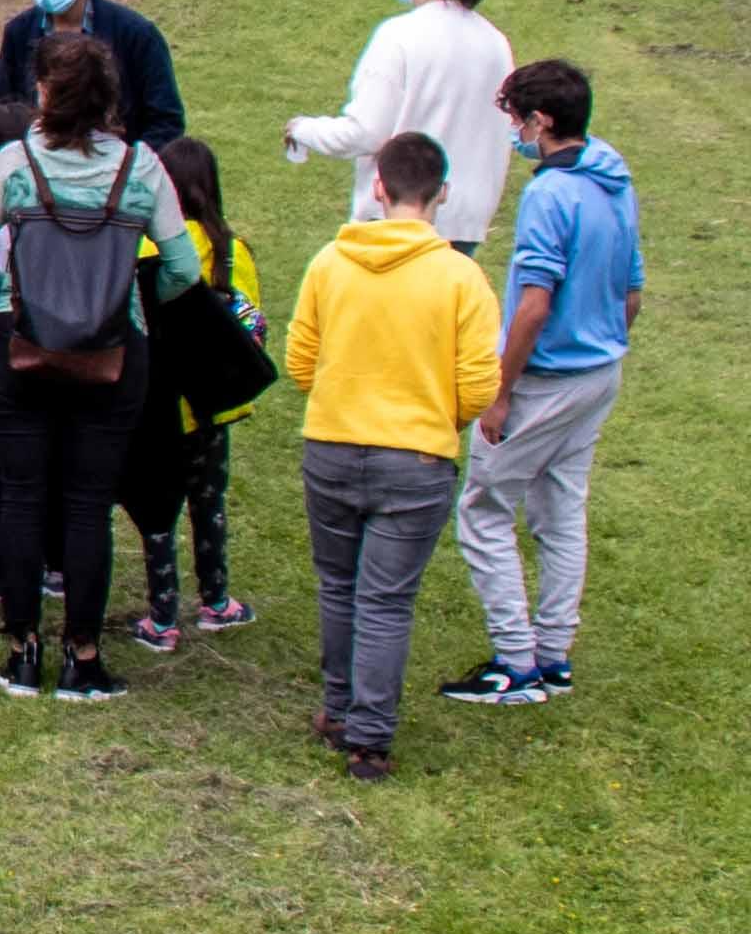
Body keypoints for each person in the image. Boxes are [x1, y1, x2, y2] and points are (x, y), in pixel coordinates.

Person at [0, 31, 204, 703]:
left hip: (22, 345)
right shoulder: (143, 169)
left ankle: (21, 650)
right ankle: (82, 656)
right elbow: (181, 267)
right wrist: (130, 306)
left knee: (24, 495)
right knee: (88, 504)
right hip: (114, 354)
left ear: (45, 93)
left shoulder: (16, 163)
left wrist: (0, 292)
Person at [281, 128, 505, 775]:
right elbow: (477, 385)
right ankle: (369, 738)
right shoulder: (462, 278)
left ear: (377, 187)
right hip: (416, 459)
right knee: (385, 600)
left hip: (331, 444)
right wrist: (437, 417)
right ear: (442, 195)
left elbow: (301, 362)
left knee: (339, 586)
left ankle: (340, 709)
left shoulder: (330, 262)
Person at [447, 58, 642, 707]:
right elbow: (632, 289)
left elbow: (533, 304)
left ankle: (515, 665)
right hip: (600, 374)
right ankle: (554, 656)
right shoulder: (614, 175)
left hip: (548, 382)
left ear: (542, 122)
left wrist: (500, 393)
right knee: (561, 513)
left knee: (483, 508)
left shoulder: (548, 196)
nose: (512, 130)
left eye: (515, 118)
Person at [288, 0, 514, 245]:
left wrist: (303, 130)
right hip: (465, 224)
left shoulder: (398, 37)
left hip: (396, 221)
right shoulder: (496, 44)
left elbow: (365, 133)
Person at [124, 131, 266, 650]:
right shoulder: (231, 251)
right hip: (213, 406)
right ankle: (217, 599)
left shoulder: (142, 246)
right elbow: (252, 325)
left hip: (159, 406)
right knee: (211, 501)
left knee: (158, 506)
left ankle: (162, 618)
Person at [0, 0, 185, 144]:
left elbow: (166, 121)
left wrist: (130, 169)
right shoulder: (18, 32)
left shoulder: (136, 35)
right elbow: (6, 112)